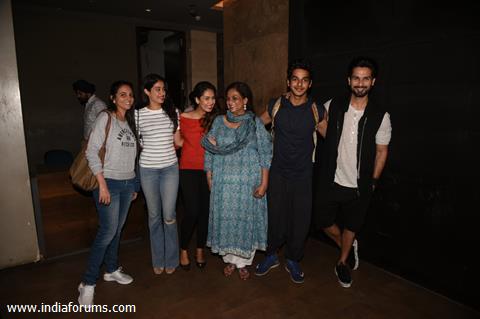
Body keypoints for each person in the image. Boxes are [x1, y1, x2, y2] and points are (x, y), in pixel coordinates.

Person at [317, 56, 392, 288]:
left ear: (373, 81)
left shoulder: (381, 115)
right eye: (356, 78)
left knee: (352, 225)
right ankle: (347, 246)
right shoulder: (334, 105)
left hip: (359, 185)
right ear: (349, 81)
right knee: (322, 220)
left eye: (365, 79)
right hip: (331, 180)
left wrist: (373, 181)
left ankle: (342, 262)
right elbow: (321, 125)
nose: (360, 83)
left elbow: (381, 152)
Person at [255, 59, 326, 284]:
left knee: (300, 220)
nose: (299, 84)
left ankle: (293, 259)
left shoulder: (317, 110)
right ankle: (271, 255)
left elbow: (332, 140)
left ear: (310, 84)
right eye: (295, 79)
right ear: (288, 82)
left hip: (304, 174)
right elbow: (255, 126)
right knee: (275, 216)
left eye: (304, 80)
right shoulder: (276, 105)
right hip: (278, 173)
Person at [201, 82, 272, 280]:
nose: (231, 103)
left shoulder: (254, 124)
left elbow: (265, 154)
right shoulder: (218, 122)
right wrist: (209, 177)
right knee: (227, 221)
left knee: (244, 221)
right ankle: (230, 260)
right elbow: (209, 151)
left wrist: (264, 183)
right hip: (223, 184)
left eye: (236, 98)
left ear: (245, 101)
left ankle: (243, 263)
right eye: (229, 99)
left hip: (248, 183)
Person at [78, 80, 139, 306]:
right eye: (122, 94)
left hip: (126, 184)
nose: (128, 98)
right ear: (113, 98)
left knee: (116, 230)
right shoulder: (106, 117)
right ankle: (87, 283)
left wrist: (133, 184)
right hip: (109, 183)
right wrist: (102, 183)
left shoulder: (129, 122)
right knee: (107, 231)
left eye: (130, 95)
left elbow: (132, 157)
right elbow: (91, 151)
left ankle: (111, 269)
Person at [136, 74, 182, 275]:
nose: (162, 93)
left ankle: (172, 258)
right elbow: (139, 143)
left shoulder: (173, 112)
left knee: (169, 215)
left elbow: (178, 142)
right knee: (154, 216)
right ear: (147, 92)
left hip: (170, 169)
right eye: (157, 89)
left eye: (163, 89)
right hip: (148, 169)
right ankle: (158, 259)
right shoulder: (137, 115)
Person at [178, 81, 219, 270]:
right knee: (192, 210)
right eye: (206, 98)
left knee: (205, 213)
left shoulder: (216, 119)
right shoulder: (183, 118)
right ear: (197, 99)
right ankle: (184, 248)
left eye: (213, 98)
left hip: (209, 171)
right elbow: (177, 142)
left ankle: (200, 249)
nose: (211, 102)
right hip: (187, 169)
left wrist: (216, 143)